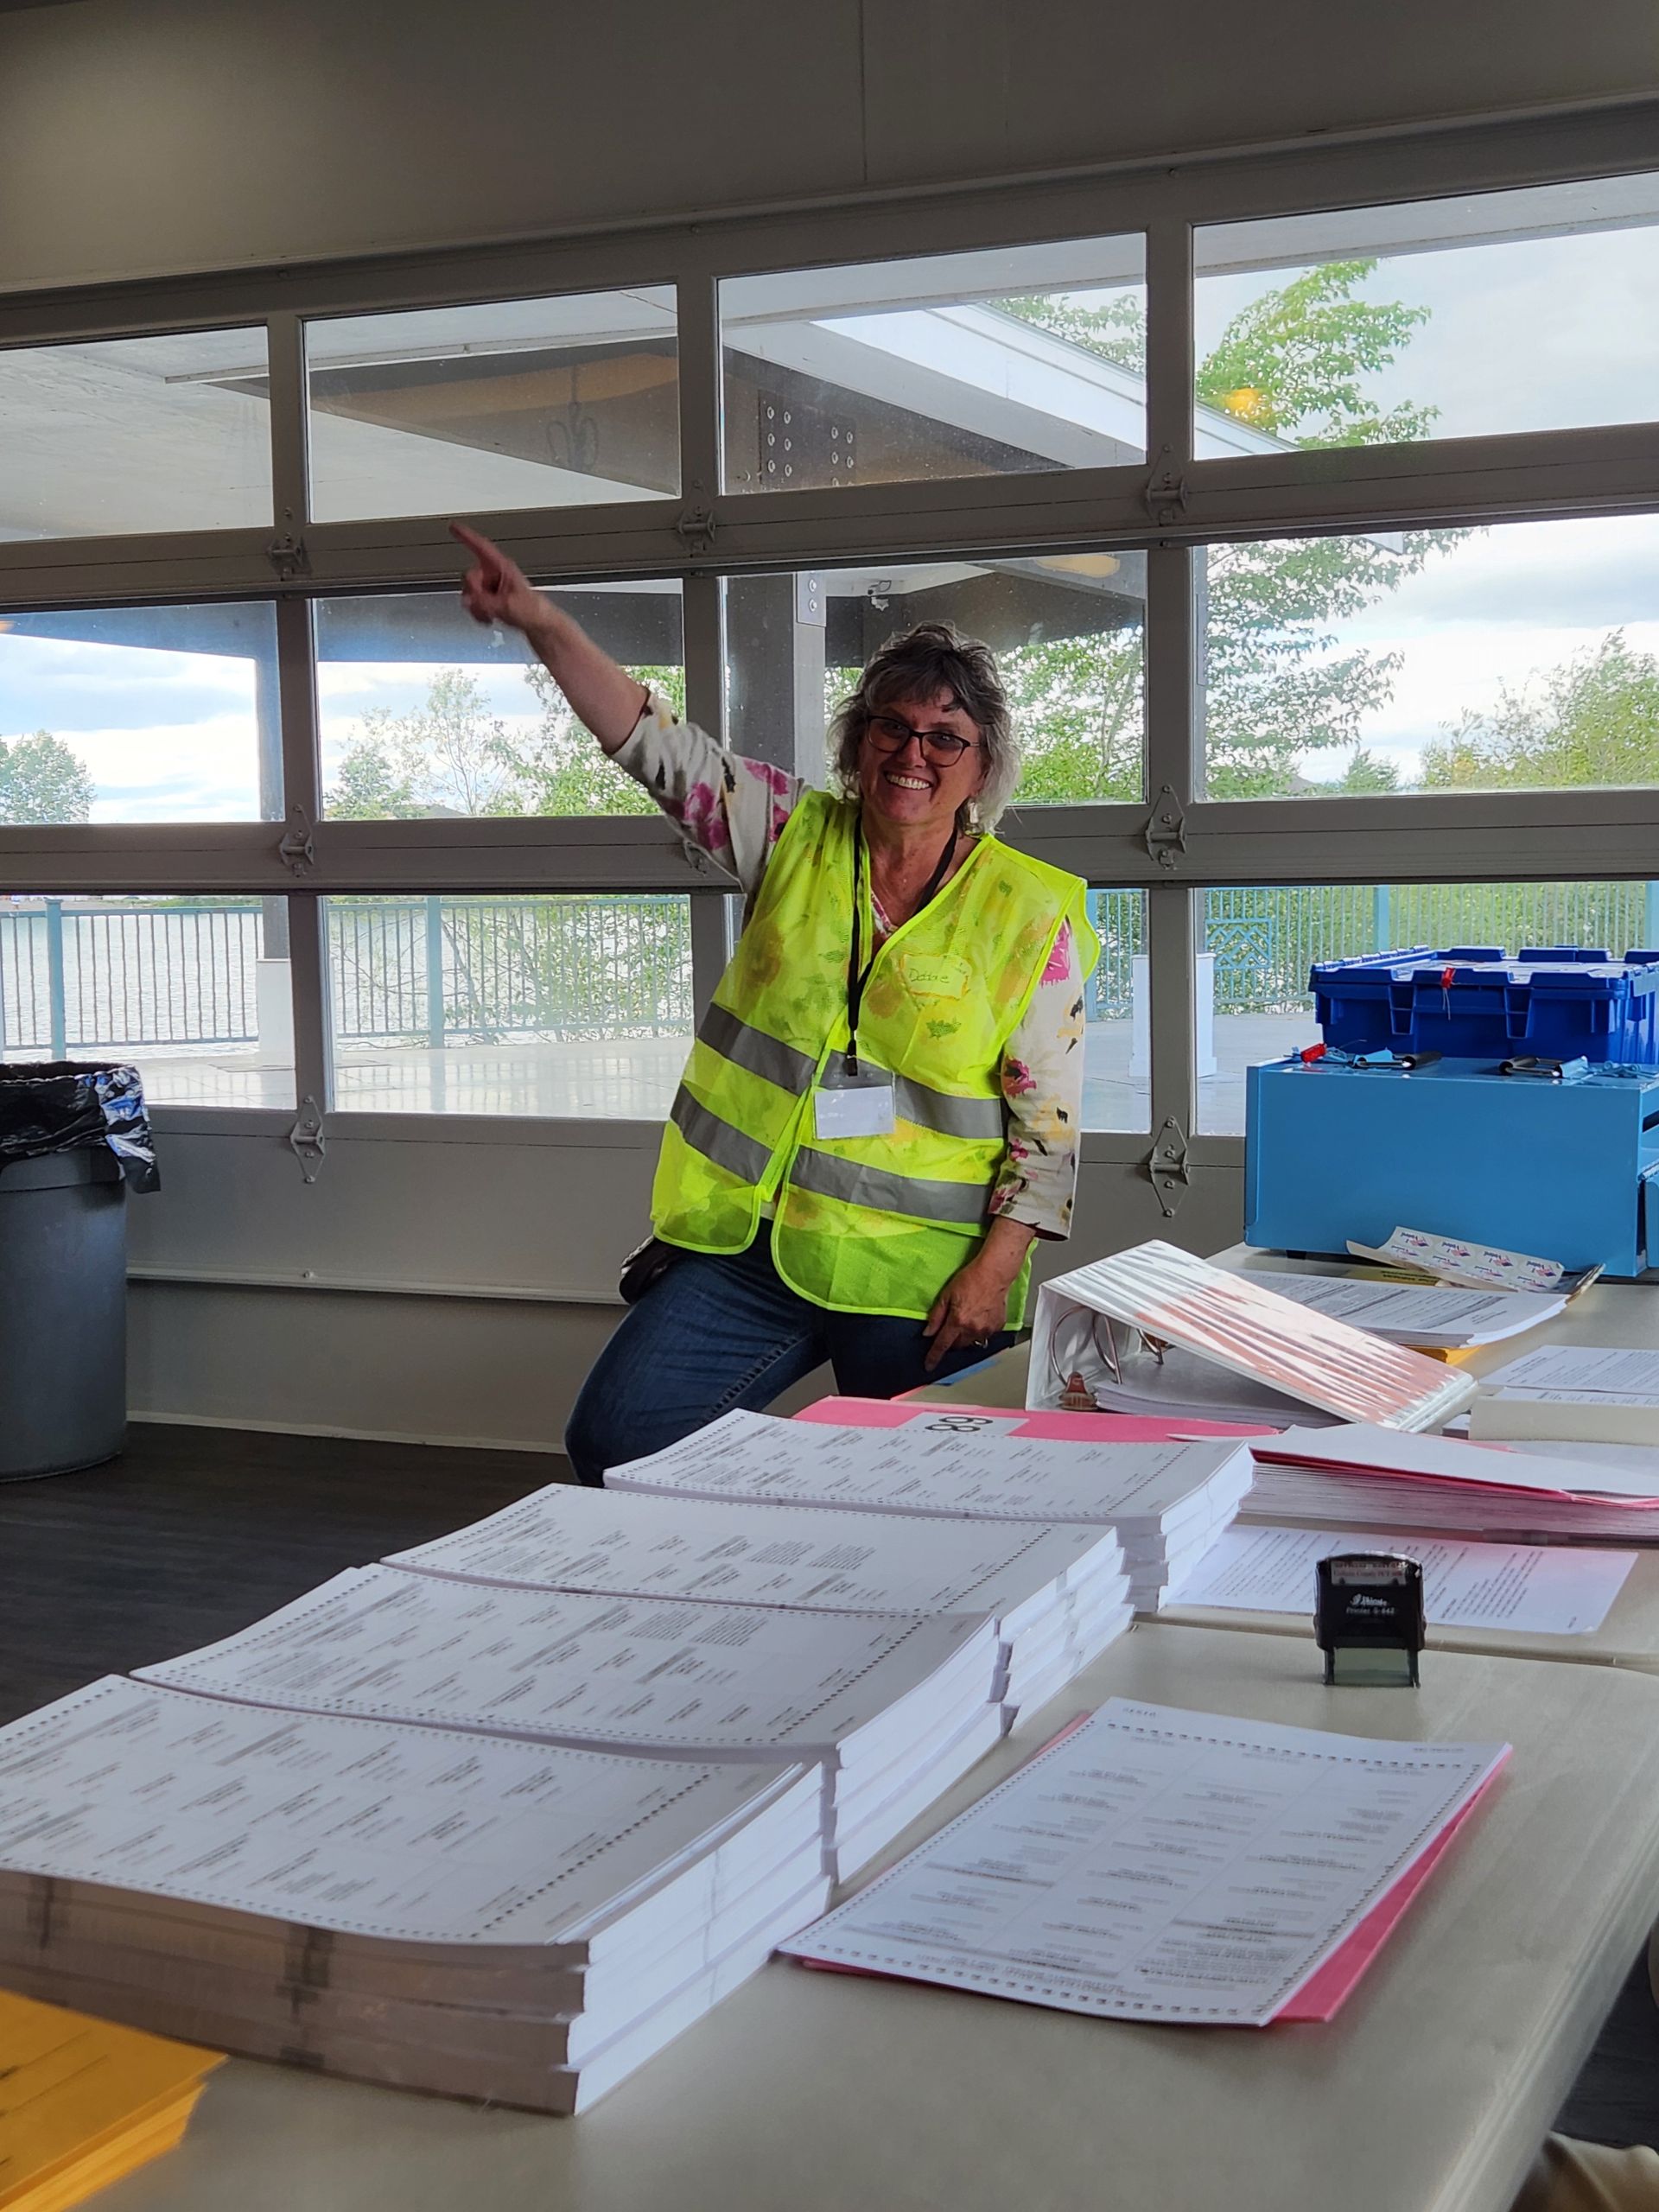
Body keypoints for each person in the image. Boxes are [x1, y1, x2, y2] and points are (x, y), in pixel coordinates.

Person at [452, 524, 1099, 1486]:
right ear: (858, 739)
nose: (912, 752)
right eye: (891, 725)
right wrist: (543, 623)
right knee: (616, 1440)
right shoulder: (792, 835)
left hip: (921, 1276)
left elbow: (1048, 1133)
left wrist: (992, 1273)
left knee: (947, 1497)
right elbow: (654, 746)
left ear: (981, 763)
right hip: (756, 1246)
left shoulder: (1029, 910)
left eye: (944, 737)